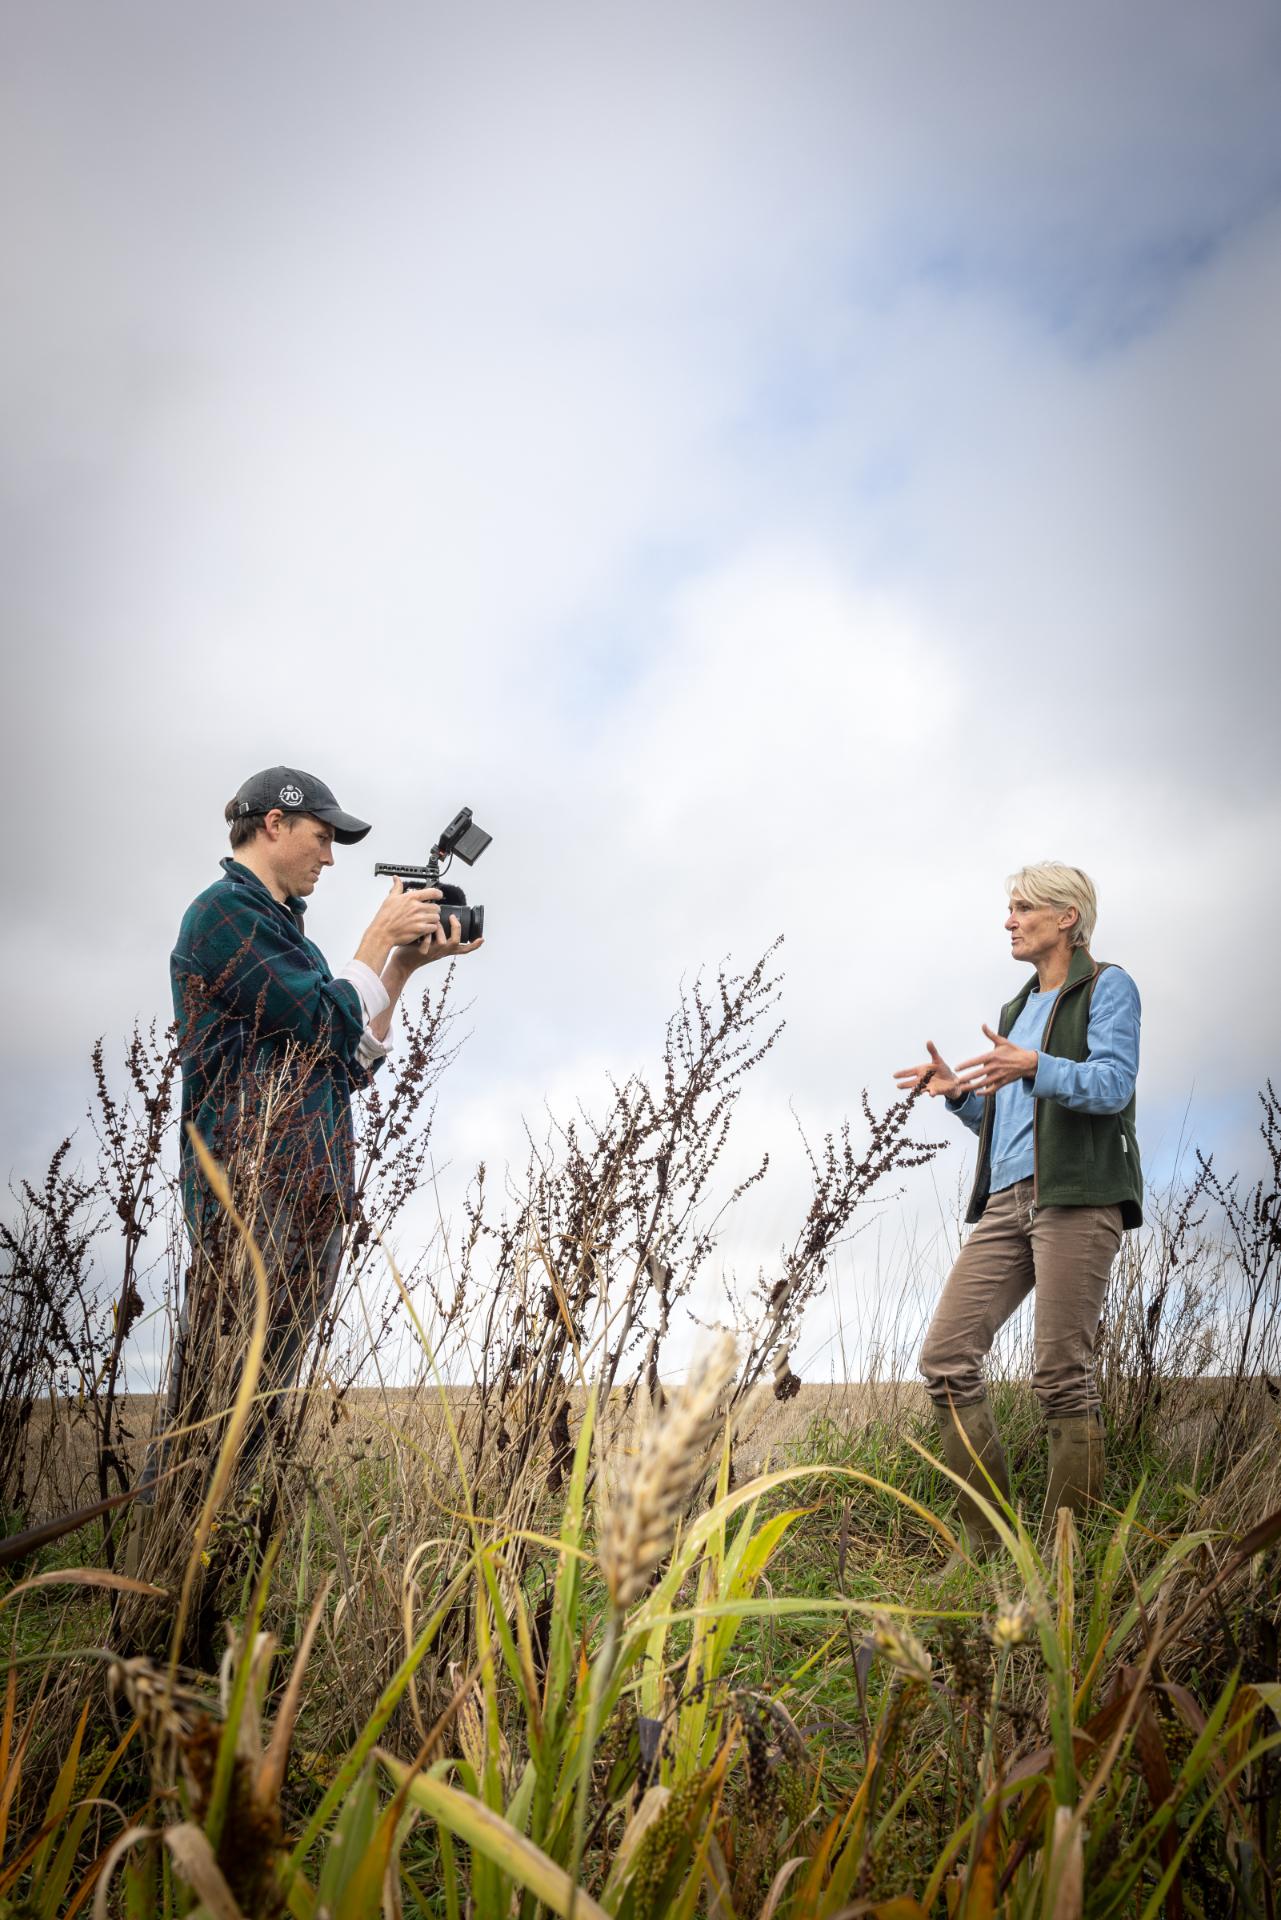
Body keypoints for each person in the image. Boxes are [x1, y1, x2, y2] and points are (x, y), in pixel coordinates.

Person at [149, 765, 482, 1498]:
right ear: (274, 824)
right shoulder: (223, 917)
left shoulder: (282, 934)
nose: (329, 858)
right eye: (321, 838)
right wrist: (372, 938)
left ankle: (214, 1559)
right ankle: (162, 1547)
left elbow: (339, 1061)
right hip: (250, 1189)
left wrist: (397, 968)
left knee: (259, 1404)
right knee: (217, 1394)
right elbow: (320, 1019)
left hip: (306, 1193)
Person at [894, 863, 1141, 1551]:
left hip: (1076, 1196)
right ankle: (987, 1545)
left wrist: (1034, 1066)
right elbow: (1007, 1125)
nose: (1008, 920)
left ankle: (1066, 1565)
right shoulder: (1015, 1010)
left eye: (1022, 907)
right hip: (1006, 1201)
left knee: (1060, 1377)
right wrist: (958, 1095)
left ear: (1066, 917)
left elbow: (1113, 1085)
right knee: (945, 1359)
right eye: (1008, 908)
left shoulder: (1106, 986)